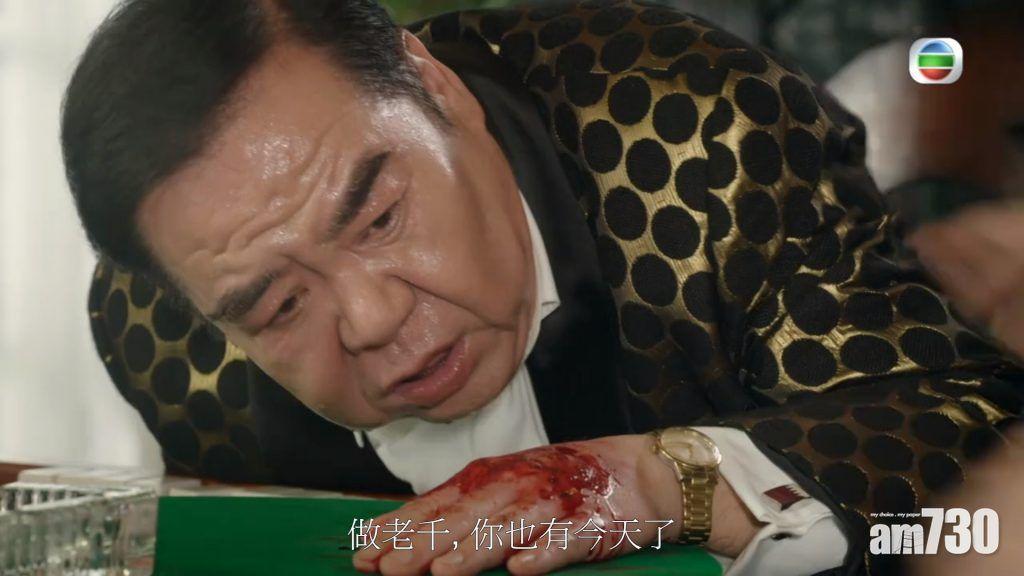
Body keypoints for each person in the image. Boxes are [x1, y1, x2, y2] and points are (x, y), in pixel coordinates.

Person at [62, 1, 1022, 575]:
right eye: (278, 308)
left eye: (380, 218)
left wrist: (670, 482)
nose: (373, 319)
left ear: (436, 86)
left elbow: (966, 431)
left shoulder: (704, 135)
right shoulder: (163, 341)